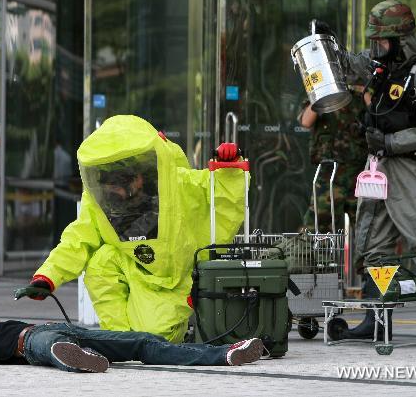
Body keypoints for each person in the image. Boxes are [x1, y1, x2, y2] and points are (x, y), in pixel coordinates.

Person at [17, 115, 247, 343]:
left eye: (119, 179)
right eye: (107, 179)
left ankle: (141, 339)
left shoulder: (178, 184)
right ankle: (120, 340)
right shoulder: (101, 202)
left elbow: (224, 202)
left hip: (174, 281)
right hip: (133, 269)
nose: (113, 188)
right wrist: (47, 278)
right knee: (102, 261)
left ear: (140, 173)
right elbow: (78, 240)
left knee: (155, 337)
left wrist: (229, 169)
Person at [315, 0, 416, 343]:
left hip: (413, 170)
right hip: (380, 167)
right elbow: (351, 68)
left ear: (399, 38)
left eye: (381, 40)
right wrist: (328, 43)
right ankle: (376, 319)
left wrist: (391, 142)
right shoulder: (383, 67)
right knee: (374, 244)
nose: (376, 46)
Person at [0, 317, 264, 372]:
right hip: (33, 341)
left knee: (141, 342)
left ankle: (225, 353)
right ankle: (72, 358)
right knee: (47, 345)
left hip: (62, 329)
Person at [299, 88, 368, 233]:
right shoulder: (323, 91)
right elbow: (306, 121)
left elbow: (377, 114)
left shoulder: (362, 92)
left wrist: (363, 89)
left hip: (359, 173)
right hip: (329, 174)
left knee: (367, 230)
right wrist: (323, 90)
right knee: (319, 229)